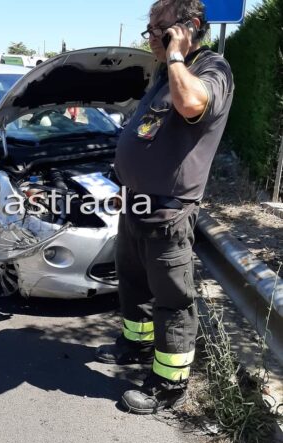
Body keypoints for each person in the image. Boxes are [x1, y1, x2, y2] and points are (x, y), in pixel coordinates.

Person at [96, 0, 234, 414]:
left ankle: (169, 385)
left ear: (189, 27)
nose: (152, 37)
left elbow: (192, 105)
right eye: (151, 29)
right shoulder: (163, 74)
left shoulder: (212, 69)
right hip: (136, 204)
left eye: (161, 29)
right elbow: (147, 128)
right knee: (133, 284)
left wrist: (176, 54)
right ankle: (136, 344)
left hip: (169, 212)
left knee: (172, 300)